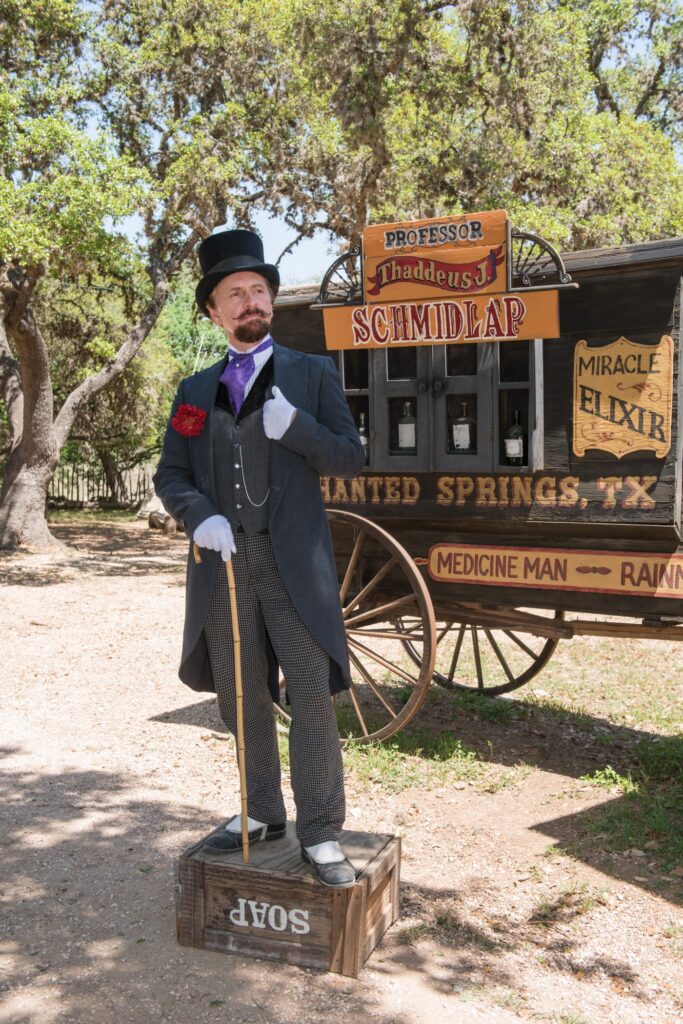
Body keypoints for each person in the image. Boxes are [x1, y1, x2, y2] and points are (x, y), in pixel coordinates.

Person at [153, 229, 365, 888]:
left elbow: (351, 459)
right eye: (234, 294)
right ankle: (260, 813)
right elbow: (171, 473)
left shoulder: (311, 374)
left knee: (308, 696)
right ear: (213, 312)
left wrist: (295, 429)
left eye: (258, 291)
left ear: (269, 300)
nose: (250, 302)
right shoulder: (195, 391)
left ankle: (322, 831)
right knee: (241, 699)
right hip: (223, 565)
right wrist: (200, 514)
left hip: (295, 563)